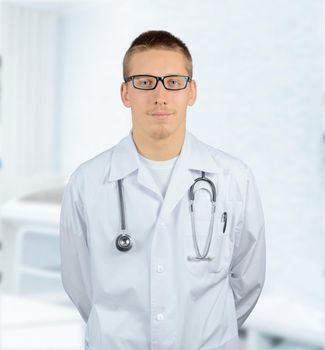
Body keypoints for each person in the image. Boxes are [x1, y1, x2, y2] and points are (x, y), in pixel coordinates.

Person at [60, 29, 266, 350]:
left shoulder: (234, 178)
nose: (159, 96)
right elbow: (80, 285)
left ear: (191, 91)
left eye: (173, 82)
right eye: (144, 82)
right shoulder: (86, 183)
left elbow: (248, 281)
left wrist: (210, 328)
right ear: (125, 93)